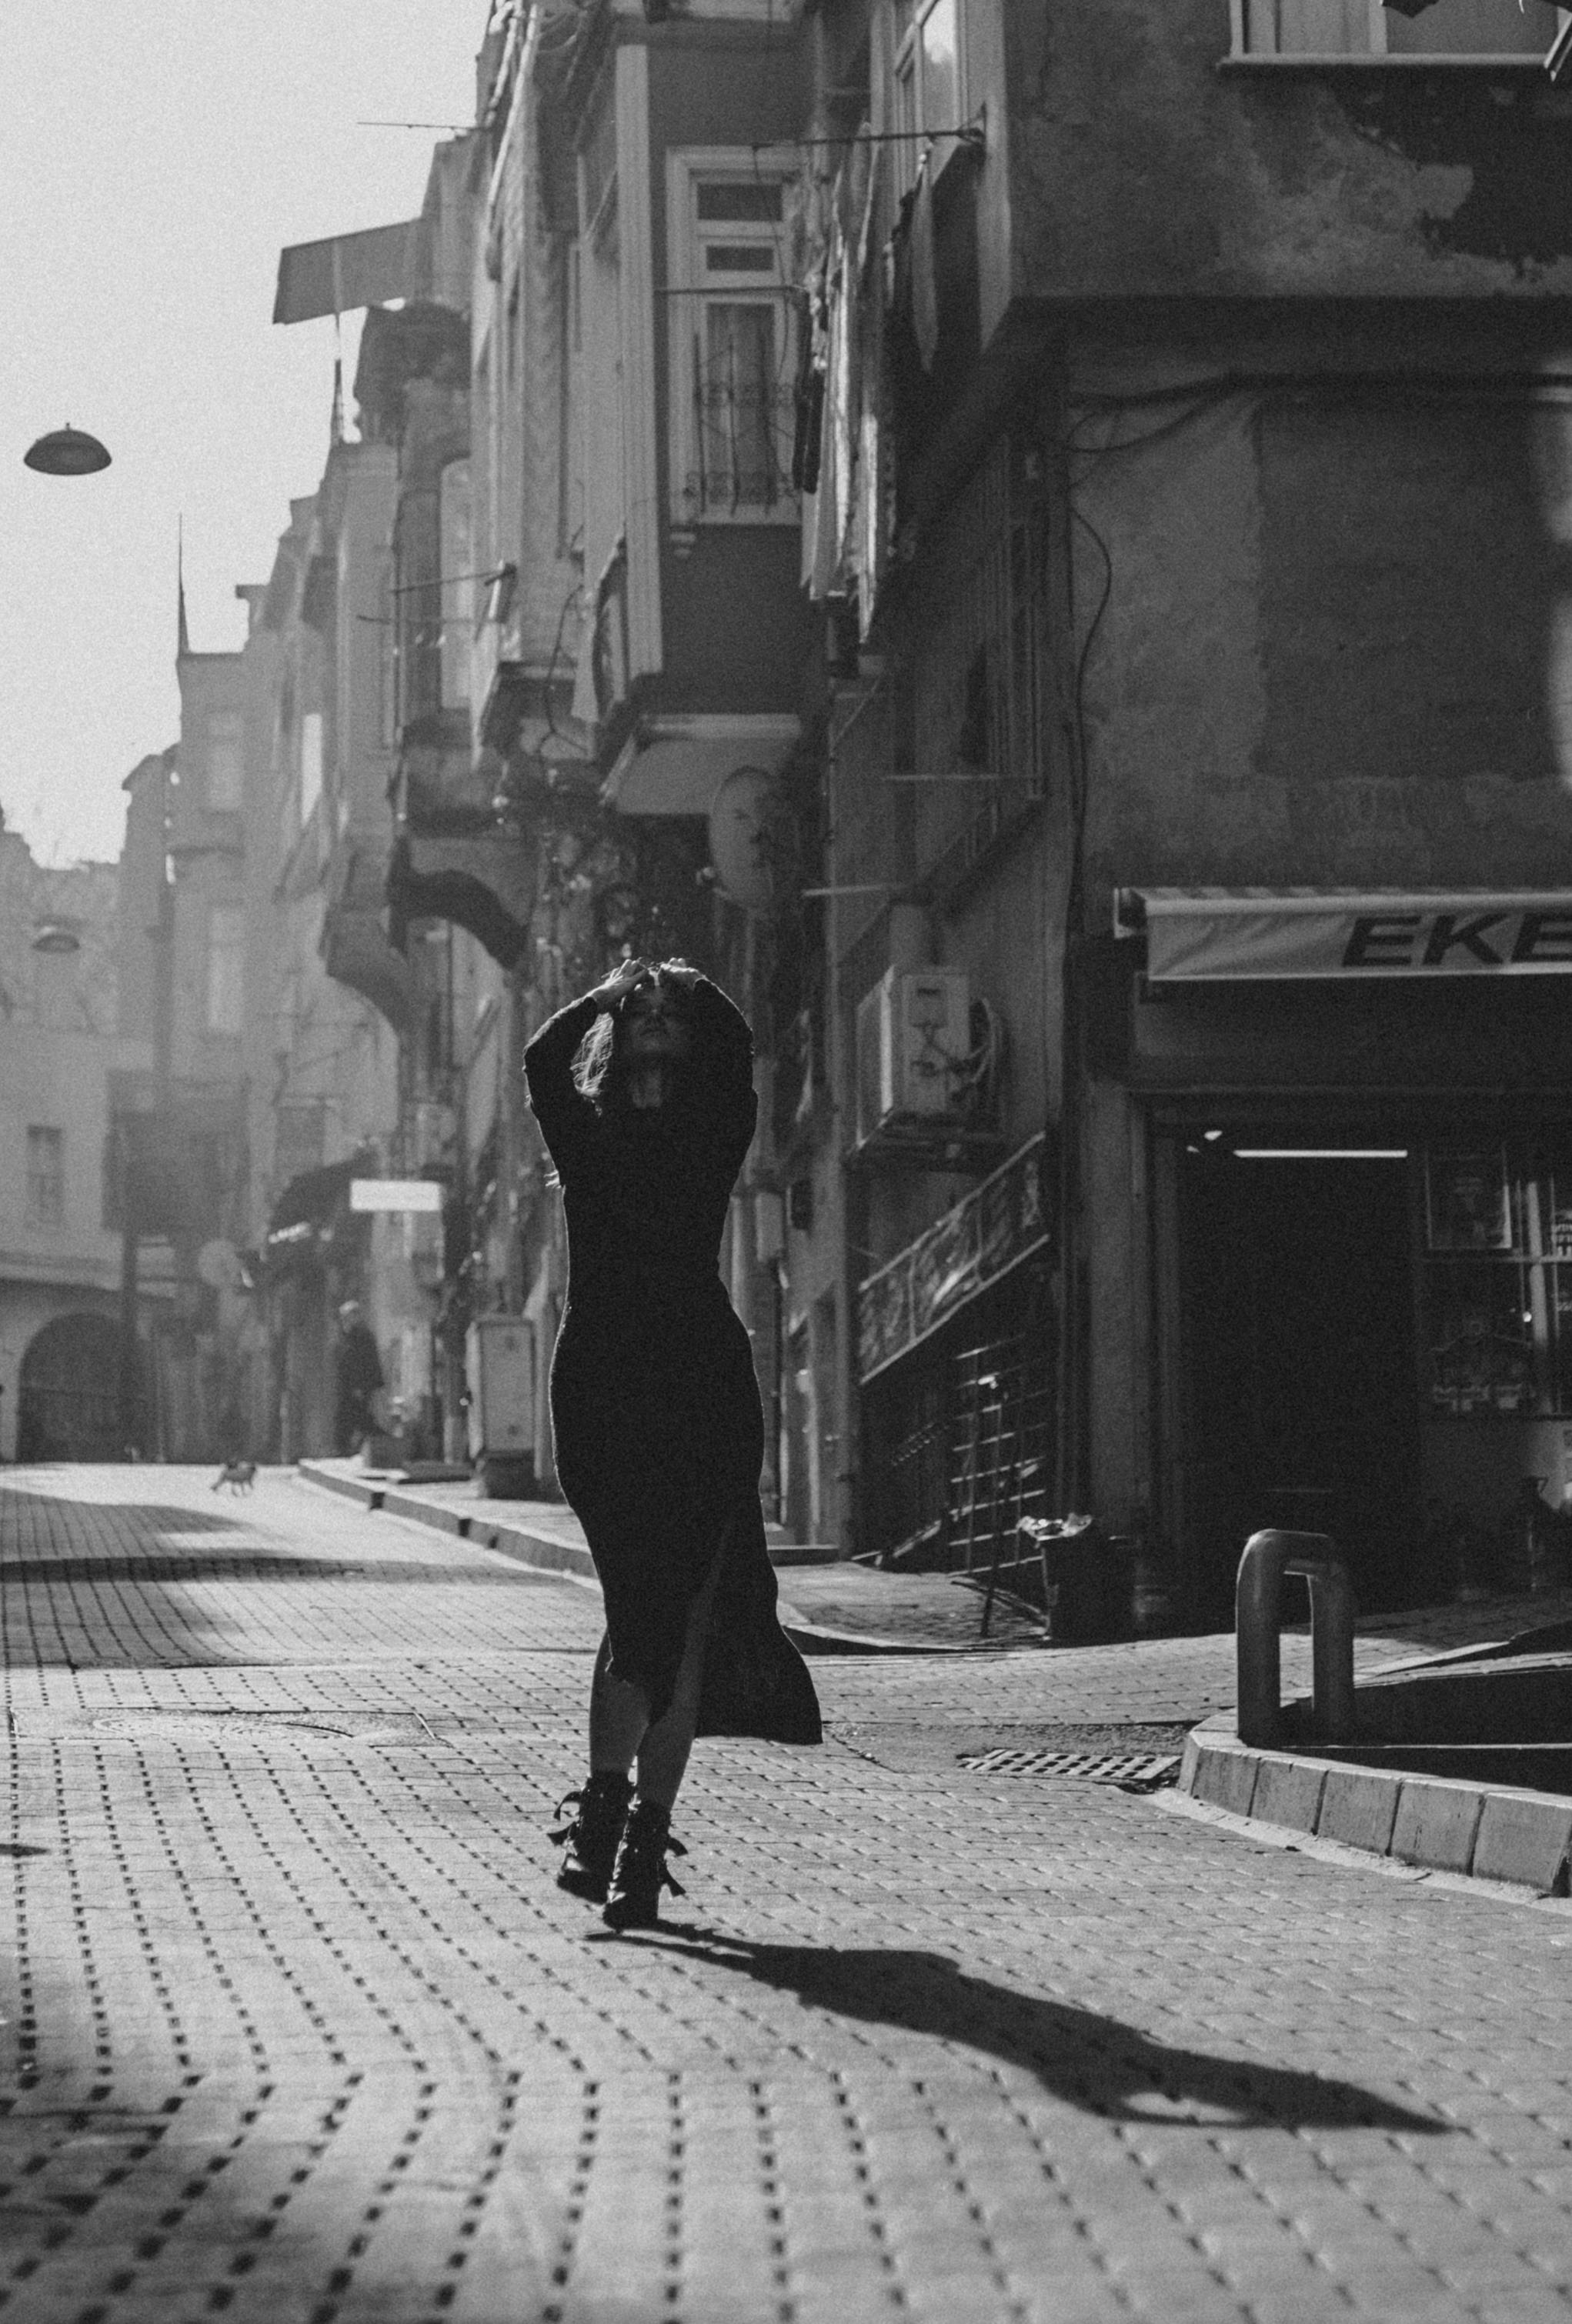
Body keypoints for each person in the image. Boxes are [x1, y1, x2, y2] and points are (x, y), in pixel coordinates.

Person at [525, 957, 822, 1930]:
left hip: (700, 1383)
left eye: (667, 1012)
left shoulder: (711, 1132)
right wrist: (605, 995)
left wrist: (698, 988)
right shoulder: (586, 1131)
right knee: (632, 1602)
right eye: (637, 1010)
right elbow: (540, 1061)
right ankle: (609, 1808)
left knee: (682, 1621)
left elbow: (739, 1054)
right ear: (616, 1031)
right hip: (604, 1382)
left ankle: (636, 1841)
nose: (653, 1018)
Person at [332, 1299, 385, 1455]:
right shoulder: (348, 1336)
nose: (344, 1321)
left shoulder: (362, 1336)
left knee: (355, 1418)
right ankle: (347, 1449)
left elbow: (362, 1363)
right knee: (356, 1418)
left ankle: (381, 1442)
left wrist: (359, 1387)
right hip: (349, 1387)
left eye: (347, 1317)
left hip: (357, 1387)